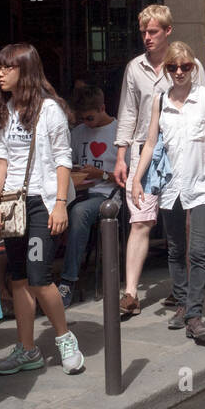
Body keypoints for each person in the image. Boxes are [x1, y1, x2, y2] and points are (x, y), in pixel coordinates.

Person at [0, 44, 84, 377]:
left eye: (7, 67)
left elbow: (62, 159)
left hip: (42, 201)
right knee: (18, 278)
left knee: (40, 278)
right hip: (13, 201)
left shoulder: (50, 111)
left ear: (25, 70)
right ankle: (27, 349)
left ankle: (64, 338)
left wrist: (60, 204)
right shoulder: (3, 109)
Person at [131, 42, 205, 344]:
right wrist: (137, 179)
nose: (179, 72)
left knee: (198, 250)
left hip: (202, 183)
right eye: (173, 67)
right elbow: (150, 143)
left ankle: (194, 316)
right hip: (171, 185)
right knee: (176, 249)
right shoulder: (159, 101)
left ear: (193, 67)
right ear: (166, 70)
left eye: (185, 67)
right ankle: (184, 303)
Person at [111, 4, 204, 318]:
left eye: (152, 32)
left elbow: (201, 107)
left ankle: (185, 290)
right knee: (141, 221)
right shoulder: (134, 67)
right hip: (145, 150)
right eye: (143, 32)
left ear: (167, 31)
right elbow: (128, 112)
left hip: (180, 151)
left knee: (184, 223)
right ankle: (130, 293)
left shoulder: (190, 65)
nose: (147, 38)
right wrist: (121, 156)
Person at [57, 86, 118, 308]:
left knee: (79, 213)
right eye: (83, 119)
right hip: (78, 189)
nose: (87, 123)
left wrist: (100, 174)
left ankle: (68, 280)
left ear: (103, 108)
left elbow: (127, 177)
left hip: (106, 194)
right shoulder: (78, 132)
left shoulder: (119, 132)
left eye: (90, 117)